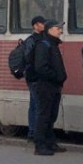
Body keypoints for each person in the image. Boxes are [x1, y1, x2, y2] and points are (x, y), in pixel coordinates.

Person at [33, 20, 68, 156]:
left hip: (53, 86)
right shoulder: (44, 45)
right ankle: (40, 145)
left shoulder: (52, 44)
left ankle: (49, 142)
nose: (60, 30)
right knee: (44, 115)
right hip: (45, 85)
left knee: (51, 115)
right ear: (49, 30)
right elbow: (40, 67)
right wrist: (57, 76)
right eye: (58, 28)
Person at [24, 15, 45, 142]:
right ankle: (34, 132)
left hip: (33, 76)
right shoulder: (32, 40)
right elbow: (28, 57)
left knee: (34, 104)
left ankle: (32, 131)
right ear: (35, 25)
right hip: (34, 76)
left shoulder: (39, 39)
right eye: (41, 23)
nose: (43, 25)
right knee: (38, 105)